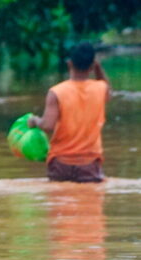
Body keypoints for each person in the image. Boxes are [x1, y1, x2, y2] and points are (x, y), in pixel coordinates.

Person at [28, 41, 110, 183]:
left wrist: (35, 120)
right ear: (92, 66)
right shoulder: (100, 89)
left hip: (60, 163)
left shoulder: (56, 92)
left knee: (60, 202)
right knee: (89, 203)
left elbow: (47, 125)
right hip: (89, 163)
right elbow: (108, 90)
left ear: (69, 63)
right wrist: (98, 68)